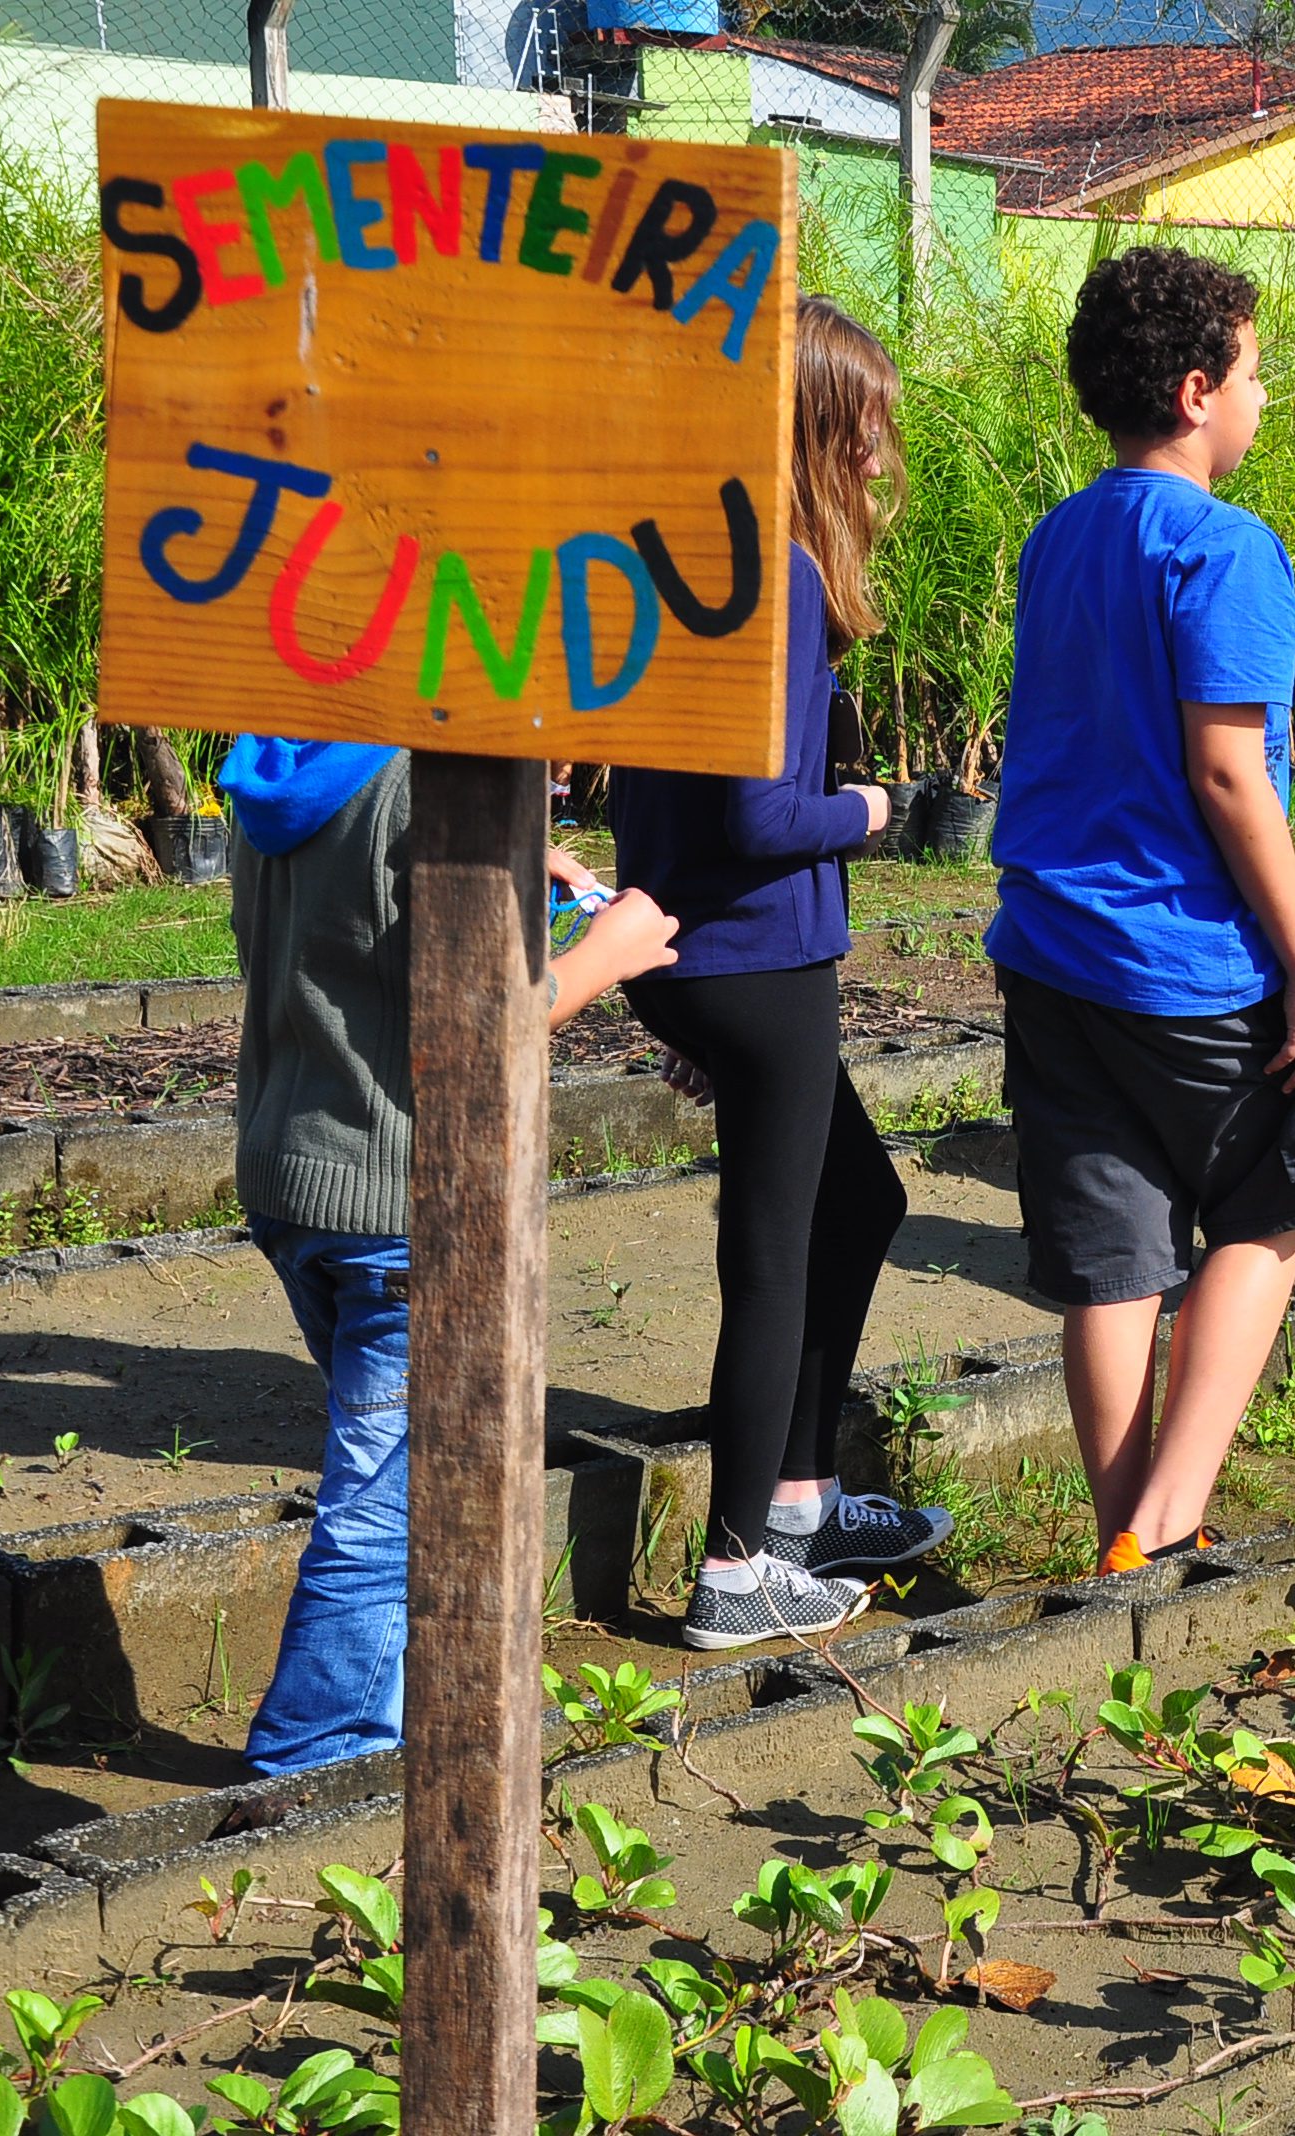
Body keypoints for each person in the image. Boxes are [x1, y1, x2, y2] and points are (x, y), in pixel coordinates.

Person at [987, 247, 1295, 1575]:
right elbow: (1228, 772)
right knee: (1269, 1208)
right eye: (1256, 374)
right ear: (1201, 390)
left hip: (1050, 947)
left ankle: (1117, 1535)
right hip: (1185, 960)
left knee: (1113, 1255)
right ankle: (1169, 1517)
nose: (1264, 400)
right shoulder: (1227, 550)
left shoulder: (1061, 532)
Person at [226, 740, 681, 1773]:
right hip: (404, 1197)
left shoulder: (287, 765)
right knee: (386, 1504)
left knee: (393, 1474)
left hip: (296, 1175)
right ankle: (315, 1755)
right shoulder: (437, 782)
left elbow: (364, 919)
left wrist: (510, 861)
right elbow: (487, 1022)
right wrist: (610, 951)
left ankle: (387, 1712)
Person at [613, 294, 948, 1650]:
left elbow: (653, 792)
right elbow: (762, 820)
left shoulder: (698, 555)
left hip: (707, 951)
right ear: (817, 422)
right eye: (867, 422)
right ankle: (736, 1567)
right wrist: (870, 813)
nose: (882, 453)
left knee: (857, 1201)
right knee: (773, 1258)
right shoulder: (786, 580)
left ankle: (802, 1497)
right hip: (758, 951)